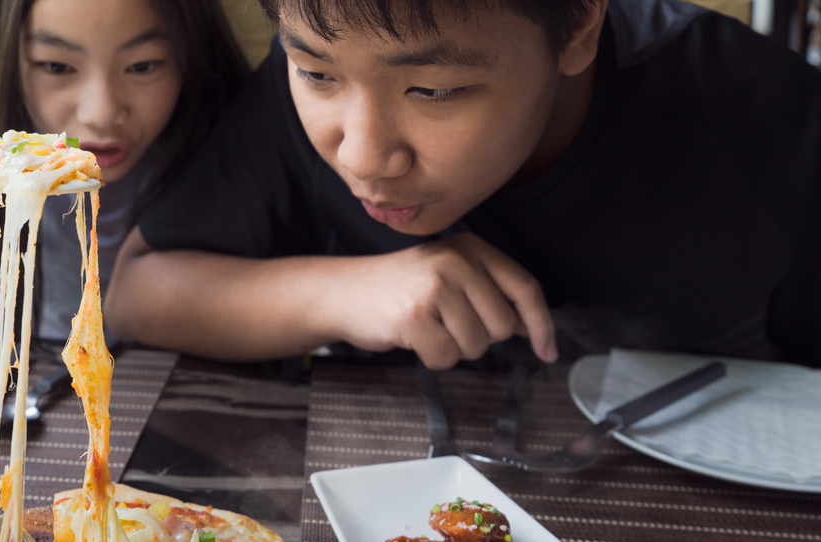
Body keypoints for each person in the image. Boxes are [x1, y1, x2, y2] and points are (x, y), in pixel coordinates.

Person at [106, 0, 821, 369]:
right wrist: (351, 291)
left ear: (577, 24)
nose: (361, 155)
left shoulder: (759, 117)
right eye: (318, 74)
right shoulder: (315, 69)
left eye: (434, 90)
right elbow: (137, 292)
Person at [0, 0, 248, 341]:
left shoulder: (236, 122)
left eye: (143, 66)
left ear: (193, 51)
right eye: (56, 67)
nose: (102, 113)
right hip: (15, 375)